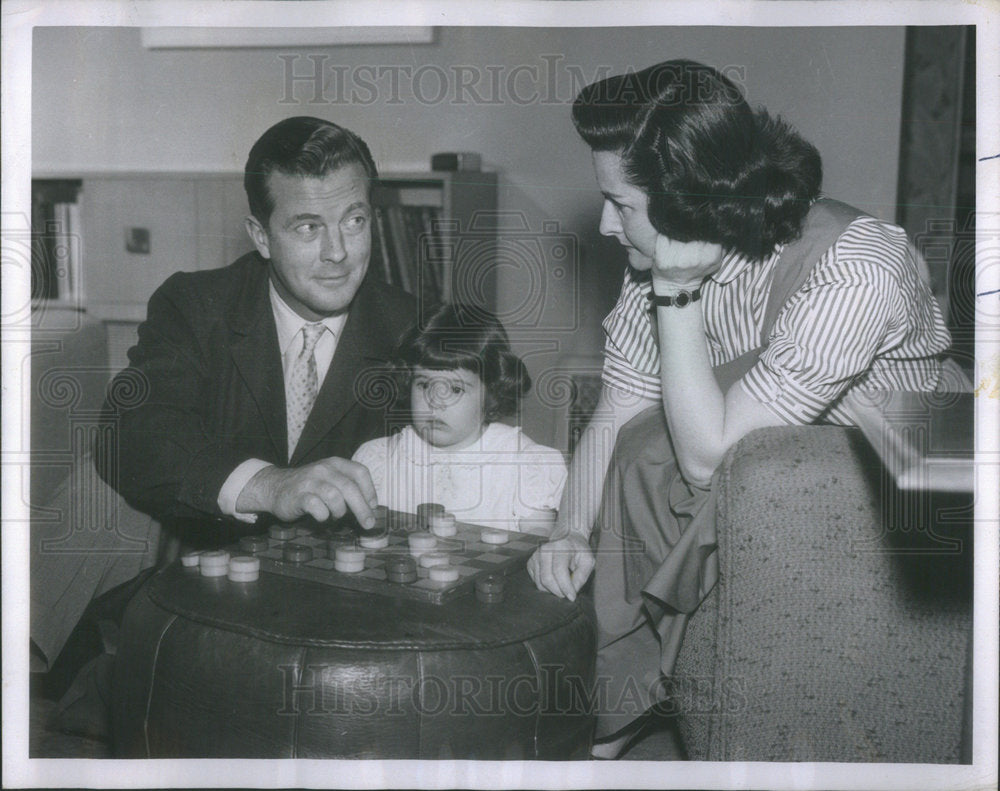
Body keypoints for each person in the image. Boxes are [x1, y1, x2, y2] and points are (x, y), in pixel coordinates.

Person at [526, 60, 952, 757]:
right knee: (639, 442)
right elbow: (614, 415)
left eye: (623, 205)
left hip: (879, 514)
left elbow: (709, 458)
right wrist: (569, 532)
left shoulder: (859, 266)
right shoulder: (655, 269)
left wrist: (675, 291)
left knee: (679, 451)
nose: (606, 225)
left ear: (690, 204)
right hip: (746, 496)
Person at [97, 116, 418, 539]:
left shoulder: (417, 328)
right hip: (217, 574)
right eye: (308, 227)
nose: (337, 252)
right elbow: (132, 435)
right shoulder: (196, 306)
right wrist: (268, 485)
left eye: (353, 221)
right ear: (261, 237)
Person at [352, 303, 567, 533]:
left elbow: (536, 549)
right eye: (424, 384)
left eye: (455, 389)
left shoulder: (524, 464)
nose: (435, 401)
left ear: (491, 394)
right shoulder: (378, 460)